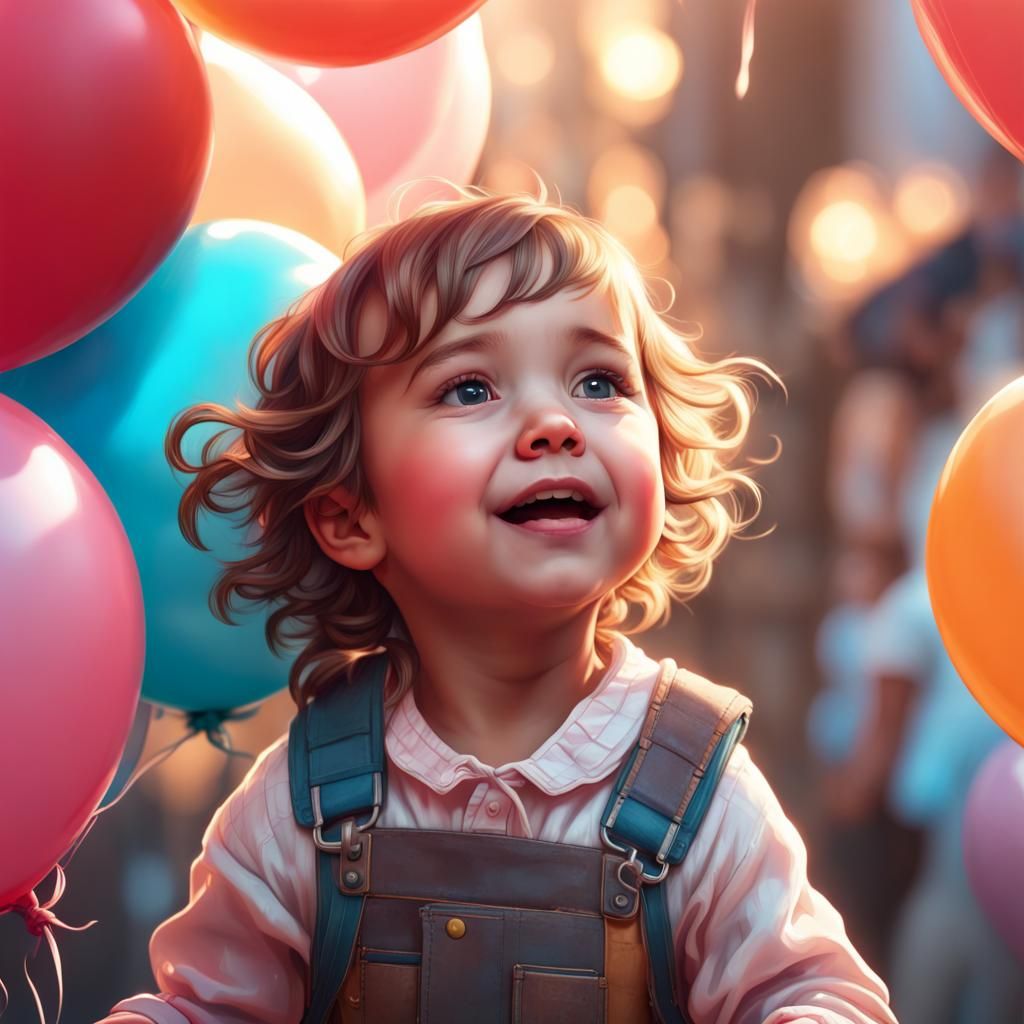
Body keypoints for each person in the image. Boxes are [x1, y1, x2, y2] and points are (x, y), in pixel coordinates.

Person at [97, 188, 896, 1024]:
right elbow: (208, 1007)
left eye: (599, 380)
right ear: (350, 515)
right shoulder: (303, 804)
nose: (554, 422)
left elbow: (815, 994)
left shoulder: (699, 790)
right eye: (471, 389)